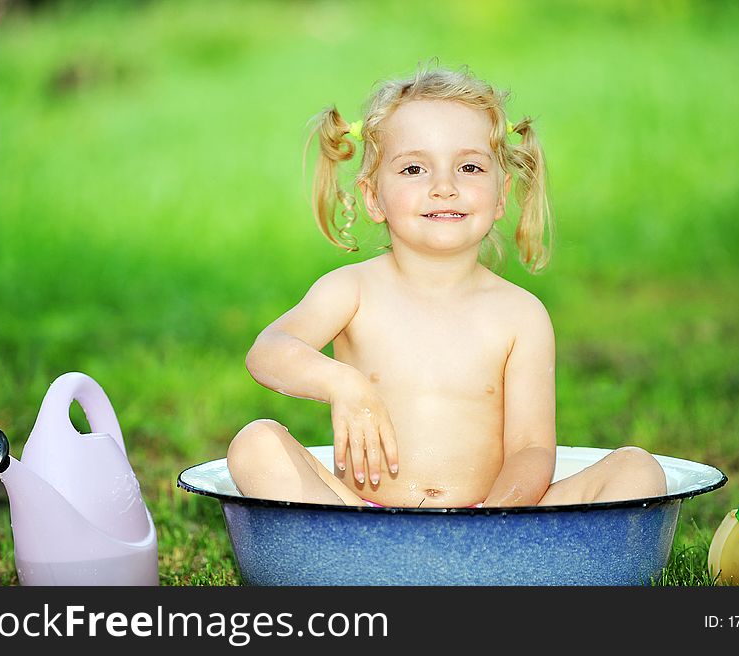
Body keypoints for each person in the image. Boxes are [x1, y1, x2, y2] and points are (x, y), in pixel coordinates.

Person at [227, 65, 667, 508]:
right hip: (361, 517)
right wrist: (344, 384)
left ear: (500, 196)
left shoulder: (520, 314)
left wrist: (495, 519)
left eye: (470, 166)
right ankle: (370, 559)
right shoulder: (352, 291)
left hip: (491, 515)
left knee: (637, 469)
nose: (444, 187)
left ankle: (480, 560)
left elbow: (531, 449)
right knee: (256, 443)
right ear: (373, 197)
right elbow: (268, 352)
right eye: (415, 168)